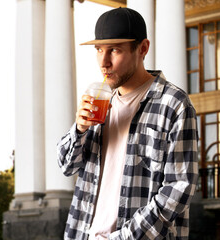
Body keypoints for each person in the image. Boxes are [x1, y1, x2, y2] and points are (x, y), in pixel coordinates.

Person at [57, 7, 198, 240]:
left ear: (142, 49)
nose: (104, 62)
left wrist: (124, 237)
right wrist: (80, 129)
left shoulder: (174, 104)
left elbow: (179, 188)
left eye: (114, 50)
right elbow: (66, 166)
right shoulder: (99, 102)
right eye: (99, 50)